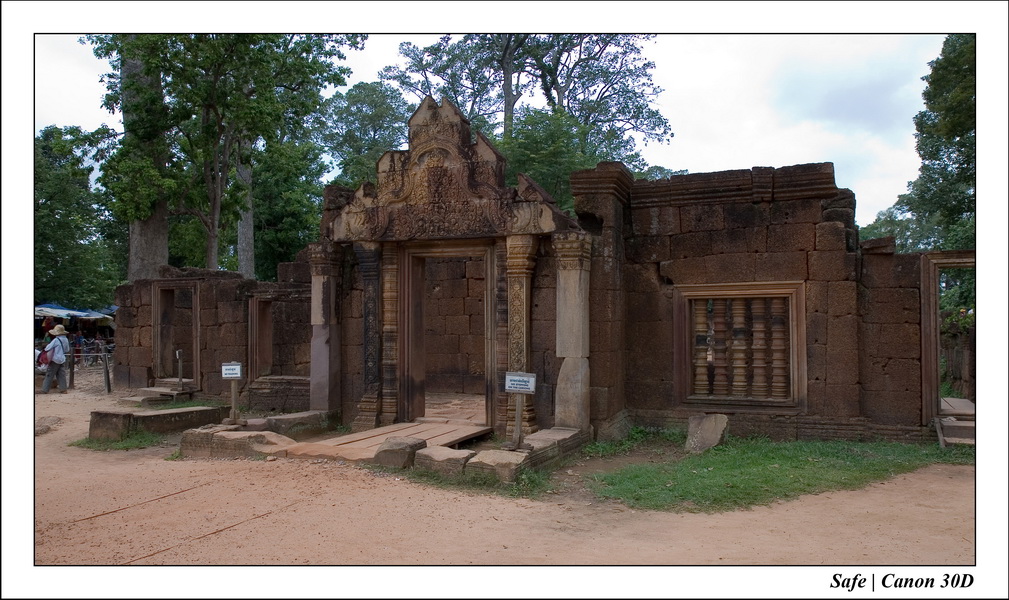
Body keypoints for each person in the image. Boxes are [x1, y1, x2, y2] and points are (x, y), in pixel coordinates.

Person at [41, 324, 71, 394]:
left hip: (55, 359)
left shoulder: (56, 340)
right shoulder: (66, 339)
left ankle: (45, 389)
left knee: (50, 374)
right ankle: (63, 389)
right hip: (62, 359)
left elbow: (47, 348)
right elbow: (67, 349)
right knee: (61, 374)